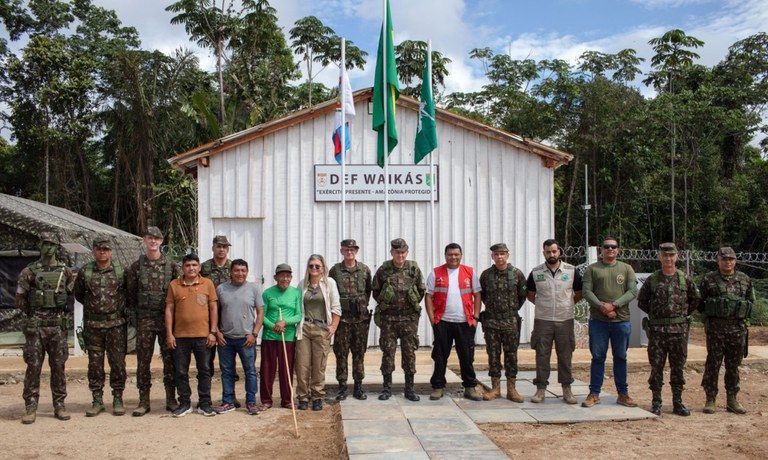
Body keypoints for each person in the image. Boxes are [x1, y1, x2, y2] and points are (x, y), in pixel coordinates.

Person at [16, 232, 76, 424]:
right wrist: (33, 315)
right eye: (45, 244)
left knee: (58, 367)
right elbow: (20, 300)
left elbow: (72, 296)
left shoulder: (65, 272)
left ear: (57, 247)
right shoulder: (29, 272)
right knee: (33, 367)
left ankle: (59, 405)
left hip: (57, 328)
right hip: (37, 327)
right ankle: (31, 406)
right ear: (40, 245)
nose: (49, 248)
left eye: (52, 244)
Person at [637, 242, 699, 416]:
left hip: (679, 333)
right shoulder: (653, 279)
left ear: (676, 257)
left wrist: (681, 316)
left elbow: (695, 299)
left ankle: (677, 402)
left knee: (677, 368)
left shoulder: (684, 278)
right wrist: (657, 316)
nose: (668, 259)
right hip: (657, 333)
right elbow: (642, 301)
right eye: (665, 255)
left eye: (671, 255)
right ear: (660, 257)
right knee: (656, 368)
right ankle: (656, 401)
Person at [126, 226, 181, 416]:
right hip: (145, 321)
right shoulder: (135, 267)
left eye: (156, 238)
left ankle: (171, 399)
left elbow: (178, 294)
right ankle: (143, 400)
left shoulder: (172, 266)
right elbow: (130, 296)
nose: (153, 241)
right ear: (144, 240)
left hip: (167, 322)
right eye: (150, 238)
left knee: (170, 361)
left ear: (161, 241)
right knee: (143, 362)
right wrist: (136, 319)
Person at [73, 236, 129, 417]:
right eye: (99, 249)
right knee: (95, 365)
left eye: (106, 249)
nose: (102, 252)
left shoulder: (121, 271)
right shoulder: (85, 272)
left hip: (116, 326)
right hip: (93, 326)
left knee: (118, 363)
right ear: (94, 251)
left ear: (111, 251)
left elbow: (128, 294)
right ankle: (97, 400)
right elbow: (79, 295)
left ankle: (118, 398)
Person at [581, 236, 638, 408]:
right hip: (599, 321)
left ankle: (622, 394)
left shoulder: (626, 269)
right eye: (606, 247)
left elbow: (632, 291)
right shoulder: (592, 269)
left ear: (618, 250)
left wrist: (614, 305)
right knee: (598, 357)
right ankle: (594, 393)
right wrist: (602, 307)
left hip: (621, 321)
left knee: (620, 357)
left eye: (613, 247)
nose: (610, 249)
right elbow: (586, 291)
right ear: (601, 250)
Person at [699, 247, 754, 415]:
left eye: (731, 259)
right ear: (718, 260)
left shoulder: (744, 279)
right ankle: (710, 399)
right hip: (716, 330)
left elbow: (750, 301)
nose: (728, 262)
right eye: (724, 259)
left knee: (733, 365)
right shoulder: (709, 279)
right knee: (713, 364)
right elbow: (700, 303)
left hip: (737, 330)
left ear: (735, 261)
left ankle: (732, 399)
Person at [526, 239, 582, 404]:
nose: (551, 254)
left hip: (565, 319)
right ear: (543, 253)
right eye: (548, 252)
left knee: (565, 355)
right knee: (542, 355)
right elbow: (530, 294)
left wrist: (566, 304)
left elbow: (579, 293)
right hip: (543, 320)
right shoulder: (536, 272)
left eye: (554, 251)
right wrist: (545, 306)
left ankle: (567, 389)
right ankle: (541, 389)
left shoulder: (572, 271)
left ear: (560, 252)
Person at [425, 243, 482, 401]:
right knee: (440, 356)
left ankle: (470, 387)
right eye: (450, 254)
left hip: (465, 323)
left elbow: (477, 295)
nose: (453, 257)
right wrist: (432, 319)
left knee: (467, 356)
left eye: (456, 254)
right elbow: (428, 296)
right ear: (445, 255)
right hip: (443, 322)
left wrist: (475, 317)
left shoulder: (469, 272)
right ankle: (438, 387)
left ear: (461, 255)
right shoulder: (436, 273)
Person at [164, 253, 218, 417]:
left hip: (203, 336)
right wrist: (169, 334)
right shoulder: (174, 285)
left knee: (204, 370)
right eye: (188, 265)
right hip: (180, 337)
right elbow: (169, 309)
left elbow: (214, 308)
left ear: (199, 267)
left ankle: (204, 403)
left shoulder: (207, 284)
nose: (191, 268)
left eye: (194, 265)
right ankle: (185, 403)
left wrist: (213, 332)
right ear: (183, 268)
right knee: (181, 371)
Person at [372, 238, 426, 401]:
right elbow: (376, 291)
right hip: (389, 320)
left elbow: (421, 291)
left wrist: (409, 306)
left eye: (403, 252)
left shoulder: (414, 269)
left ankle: (409, 389)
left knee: (409, 354)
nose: (400, 255)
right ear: (392, 253)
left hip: (409, 320)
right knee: (388, 353)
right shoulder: (383, 270)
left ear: (407, 252)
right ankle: (386, 388)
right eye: (397, 252)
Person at [214, 259, 264, 415]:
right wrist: (217, 332)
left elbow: (260, 313)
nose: (240, 273)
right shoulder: (221, 289)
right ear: (231, 271)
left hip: (246, 339)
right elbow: (215, 312)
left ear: (247, 272)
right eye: (236, 270)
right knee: (227, 371)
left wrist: (254, 334)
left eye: (243, 270)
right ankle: (228, 401)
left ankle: (251, 402)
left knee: (250, 371)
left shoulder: (254, 289)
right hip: (225, 339)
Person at [479, 243, 527, 402]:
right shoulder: (486, 275)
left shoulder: (517, 274)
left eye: (502, 253)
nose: (499, 257)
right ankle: (495, 389)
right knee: (493, 355)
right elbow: (483, 296)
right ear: (492, 256)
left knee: (511, 355)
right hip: (491, 322)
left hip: (510, 322)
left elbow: (522, 296)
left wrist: (509, 311)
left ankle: (512, 389)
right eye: (496, 254)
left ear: (507, 255)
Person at [296, 255, 342, 411]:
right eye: (311, 266)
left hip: (321, 329)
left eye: (317, 266)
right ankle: (302, 396)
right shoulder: (302, 284)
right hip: (304, 328)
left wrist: (333, 327)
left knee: (319, 365)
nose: (314, 269)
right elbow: (297, 307)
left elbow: (336, 307)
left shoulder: (330, 283)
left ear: (323, 268)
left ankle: (317, 396)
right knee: (302, 365)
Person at [329, 239, 373, 401]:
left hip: (360, 320)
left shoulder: (364, 270)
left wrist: (360, 304)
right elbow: (330, 292)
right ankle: (342, 387)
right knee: (341, 353)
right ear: (341, 251)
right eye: (346, 249)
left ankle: (358, 386)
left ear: (356, 251)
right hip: (342, 321)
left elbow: (369, 290)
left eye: (352, 249)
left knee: (359, 353)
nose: (349, 252)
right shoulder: (335, 271)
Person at [260, 264, 303, 410]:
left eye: (288, 276)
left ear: (291, 278)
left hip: (288, 336)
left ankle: (287, 400)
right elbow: (262, 316)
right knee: (267, 369)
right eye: (281, 276)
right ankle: (266, 400)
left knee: (286, 369)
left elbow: (299, 315)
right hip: (270, 336)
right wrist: (274, 326)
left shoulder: (296, 293)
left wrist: (285, 322)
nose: (285, 279)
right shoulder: (267, 293)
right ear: (275, 277)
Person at [200, 235, 232, 382]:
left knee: (228, 360)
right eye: (218, 246)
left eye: (224, 247)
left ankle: (230, 397)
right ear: (213, 248)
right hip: (207, 318)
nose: (221, 249)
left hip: (228, 317)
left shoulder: (233, 268)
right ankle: (205, 397)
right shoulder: (204, 267)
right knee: (206, 360)